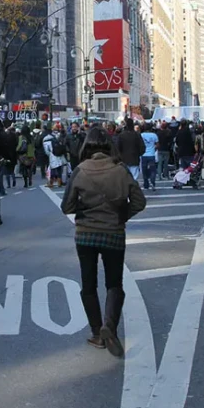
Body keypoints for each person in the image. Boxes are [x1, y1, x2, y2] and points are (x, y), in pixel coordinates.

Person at [61, 127, 146, 357]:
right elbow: (139, 201)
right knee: (114, 284)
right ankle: (110, 325)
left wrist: (84, 210)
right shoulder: (120, 170)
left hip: (86, 234)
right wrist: (122, 215)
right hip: (114, 233)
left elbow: (66, 206)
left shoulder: (80, 170)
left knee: (88, 285)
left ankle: (97, 333)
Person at [140, 122, 159, 190]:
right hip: (152, 154)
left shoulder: (141, 135)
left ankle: (146, 183)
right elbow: (157, 145)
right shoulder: (154, 135)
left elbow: (139, 144)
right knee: (153, 169)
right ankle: (153, 182)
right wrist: (154, 148)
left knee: (144, 169)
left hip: (144, 154)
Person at [1, 123, 19, 194]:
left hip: (7, 155)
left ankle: (8, 184)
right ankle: (14, 179)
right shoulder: (15, 137)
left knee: (6, 171)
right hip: (14, 155)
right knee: (12, 170)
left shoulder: (6, 137)